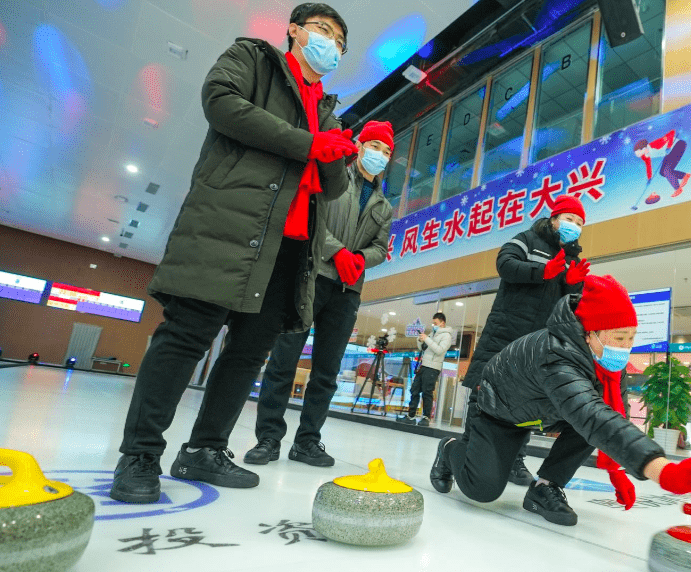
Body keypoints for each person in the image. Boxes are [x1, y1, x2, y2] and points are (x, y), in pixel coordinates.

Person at [110, 3, 358, 503]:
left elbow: (331, 189)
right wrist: (309, 144)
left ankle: (205, 449)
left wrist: (337, 153)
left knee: (247, 354)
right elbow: (220, 102)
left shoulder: (328, 110)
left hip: (291, 248)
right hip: (229, 224)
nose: (330, 44)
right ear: (294, 30)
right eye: (323, 31)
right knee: (186, 337)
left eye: (339, 41)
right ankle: (139, 456)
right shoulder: (254, 59)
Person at [430, 275, 691, 526]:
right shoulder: (554, 353)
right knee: (482, 490)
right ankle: (449, 449)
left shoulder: (607, 362)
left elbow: (611, 415)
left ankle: (544, 488)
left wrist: (618, 469)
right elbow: (590, 414)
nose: (626, 347)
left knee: (593, 416)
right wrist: (660, 469)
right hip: (499, 411)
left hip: (543, 410)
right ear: (589, 333)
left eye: (632, 338)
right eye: (620, 338)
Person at [244, 120, 396, 467]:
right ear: (359, 146)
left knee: (326, 372)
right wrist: (337, 252)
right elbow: (315, 221)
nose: (380, 155)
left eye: (386, 151)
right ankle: (268, 438)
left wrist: (359, 259)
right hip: (312, 277)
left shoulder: (384, 206)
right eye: (375, 146)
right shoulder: (333, 180)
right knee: (284, 360)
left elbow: (381, 247)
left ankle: (308, 441)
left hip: (348, 290)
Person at [460, 195, 590, 486]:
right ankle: (467, 449)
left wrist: (572, 286)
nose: (574, 226)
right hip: (506, 332)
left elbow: (570, 306)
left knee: (526, 398)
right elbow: (505, 264)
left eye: (580, 223)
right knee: (484, 392)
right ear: (554, 218)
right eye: (570, 219)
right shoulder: (527, 239)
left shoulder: (573, 259)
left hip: (538, 342)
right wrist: (543, 271)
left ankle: (515, 460)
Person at [398, 313, 454, 427]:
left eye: (436, 323)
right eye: (433, 323)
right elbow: (423, 348)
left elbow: (439, 350)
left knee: (427, 392)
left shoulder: (447, 336)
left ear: (442, 323)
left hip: (433, 368)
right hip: (423, 365)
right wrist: (420, 340)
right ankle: (411, 416)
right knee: (414, 390)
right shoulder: (433, 334)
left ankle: (426, 417)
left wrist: (427, 339)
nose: (434, 325)